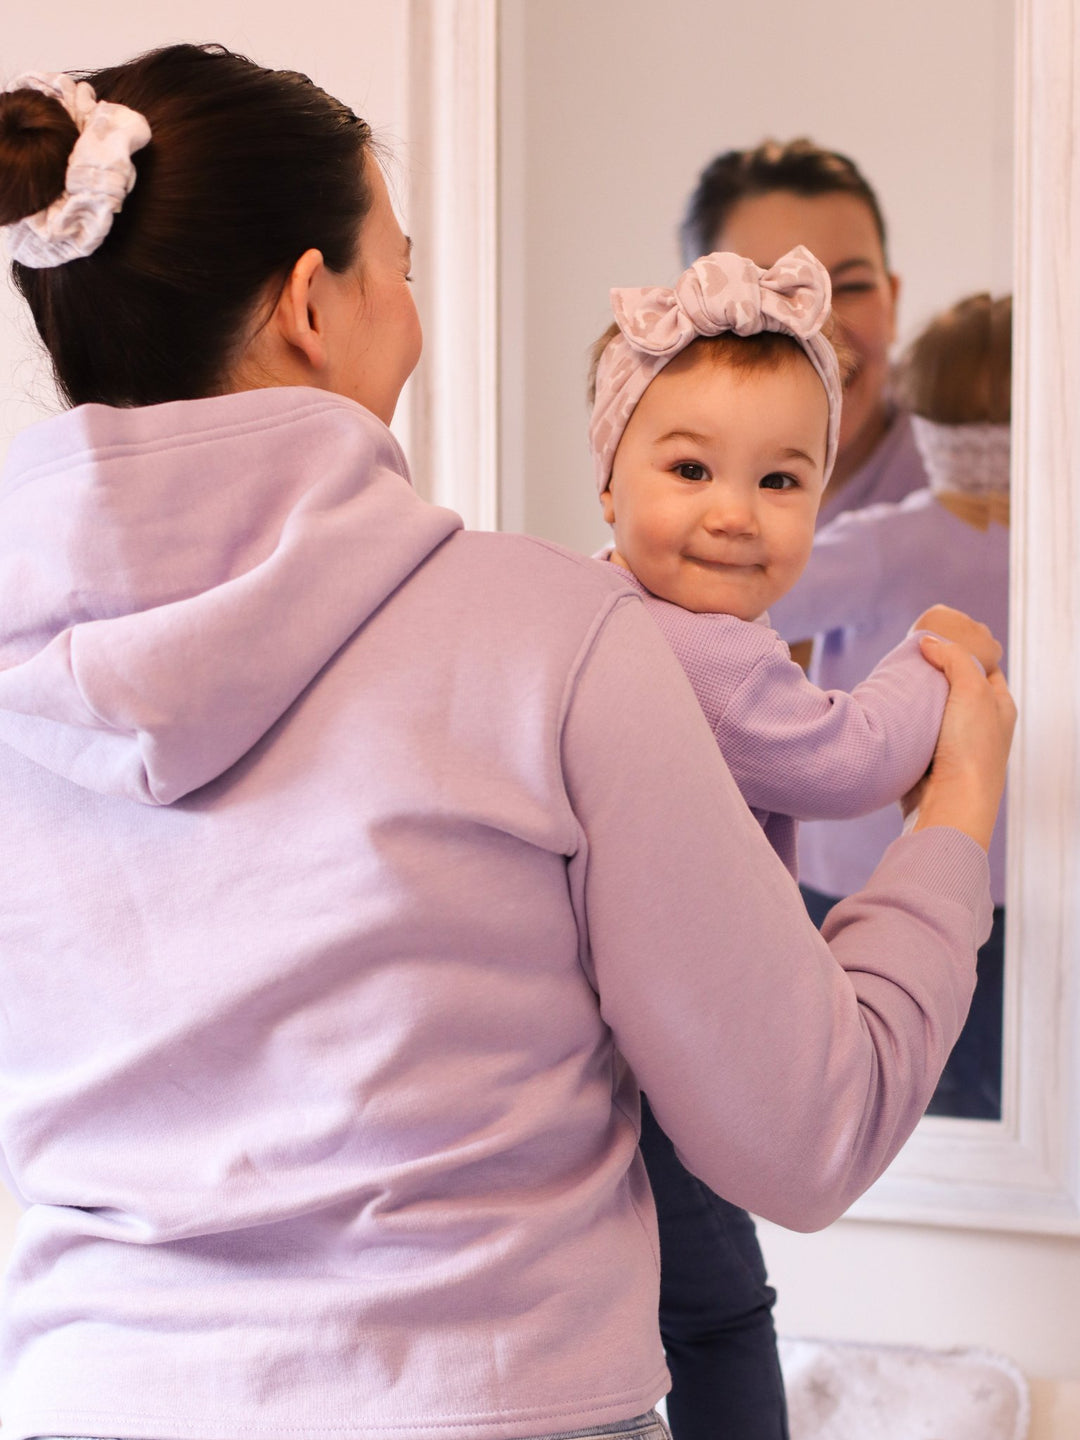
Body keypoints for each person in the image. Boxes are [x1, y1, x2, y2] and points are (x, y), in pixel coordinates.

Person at [0, 44, 1013, 1440]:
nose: (412, 316)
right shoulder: (558, 639)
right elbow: (810, 1131)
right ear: (312, 303)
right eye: (398, 267)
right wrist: (956, 813)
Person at [586, 249, 1001, 1440]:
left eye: (781, 479)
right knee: (720, 1310)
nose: (733, 512)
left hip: (619, 1037)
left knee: (680, 1297)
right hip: (684, 1048)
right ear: (609, 479)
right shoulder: (701, 653)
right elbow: (849, 761)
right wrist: (933, 661)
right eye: (689, 468)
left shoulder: (593, 607)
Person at [769, 293, 1012, 1120]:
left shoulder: (879, 542)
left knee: (870, 1063)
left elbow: (752, 603)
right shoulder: (1059, 547)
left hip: (856, 868)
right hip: (1013, 867)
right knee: (984, 1077)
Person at [680, 139, 926, 531]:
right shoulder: (661, 520)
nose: (820, 328)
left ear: (892, 303)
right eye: (770, 290)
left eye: (851, 287)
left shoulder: (989, 510)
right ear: (695, 316)